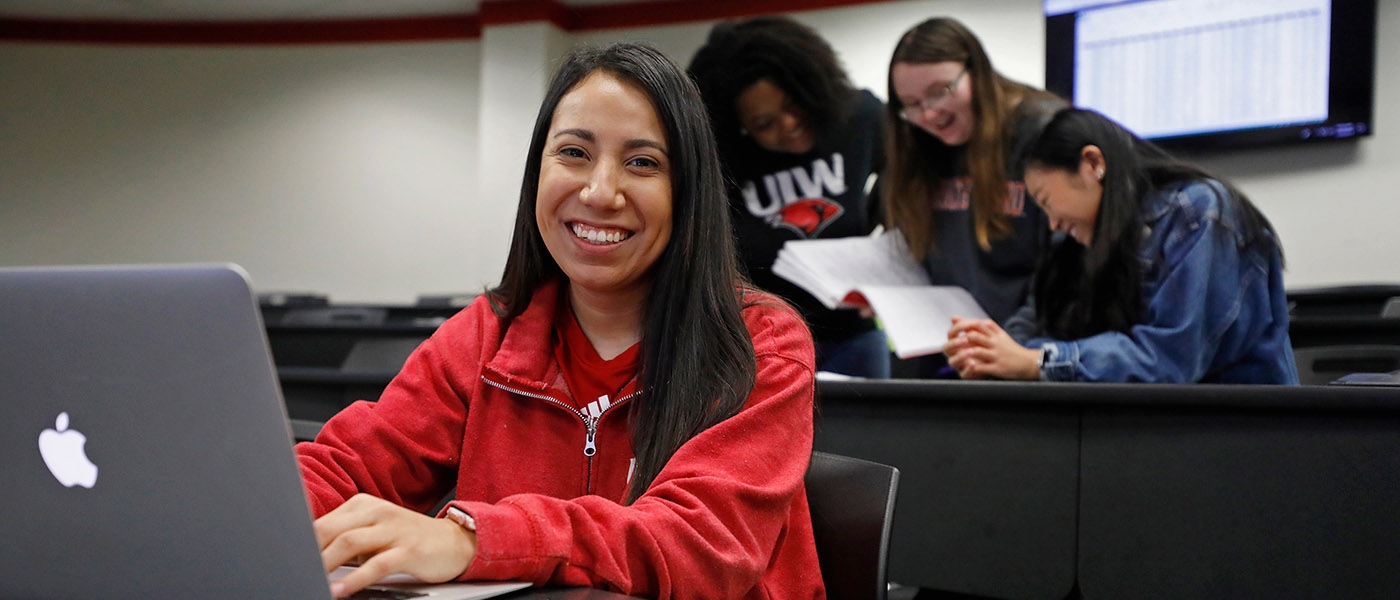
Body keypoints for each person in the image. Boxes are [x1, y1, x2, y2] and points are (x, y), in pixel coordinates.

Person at [296, 43, 824, 598]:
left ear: (687, 192)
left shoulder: (761, 343)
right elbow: (350, 467)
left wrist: (477, 540)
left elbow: (699, 544)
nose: (600, 192)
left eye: (642, 163)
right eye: (574, 152)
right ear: (537, 172)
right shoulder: (488, 334)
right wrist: (259, 507)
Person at [944, 108, 1299, 384]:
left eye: (1047, 201)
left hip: (1236, 431)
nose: (1052, 223)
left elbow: (1170, 359)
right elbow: (1040, 321)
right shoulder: (1078, 235)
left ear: (1093, 164)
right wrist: (989, 352)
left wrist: (1034, 362)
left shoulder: (1199, 214)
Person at [688, 15, 890, 378]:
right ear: (738, 128)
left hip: (853, 336)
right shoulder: (723, 162)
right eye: (764, 124)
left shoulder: (860, 119)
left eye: (795, 105)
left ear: (814, 88)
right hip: (763, 342)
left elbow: (914, 185)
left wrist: (889, 253)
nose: (789, 124)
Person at [882, 17, 1066, 376]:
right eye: (911, 104)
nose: (929, 113)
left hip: (1029, 357)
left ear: (976, 72)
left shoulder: (1041, 134)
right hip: (955, 356)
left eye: (940, 91)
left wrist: (1010, 352)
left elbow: (1064, 273)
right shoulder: (919, 149)